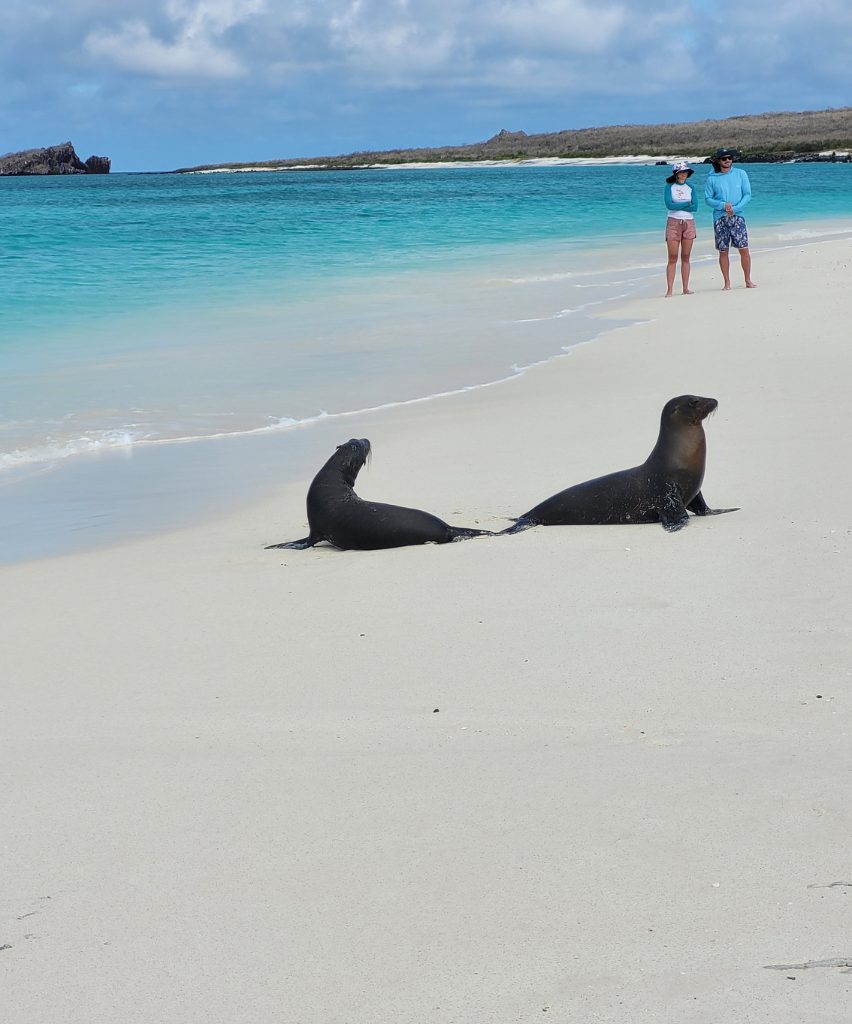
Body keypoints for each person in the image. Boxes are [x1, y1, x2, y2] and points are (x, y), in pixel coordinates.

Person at [704, 147, 756, 289]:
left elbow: (747, 195)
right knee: (723, 250)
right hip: (720, 218)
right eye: (724, 158)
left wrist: (735, 208)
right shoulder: (711, 178)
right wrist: (722, 205)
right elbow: (708, 199)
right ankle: (727, 282)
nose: (727, 161)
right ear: (718, 161)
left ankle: (748, 280)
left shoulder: (741, 173)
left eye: (729, 158)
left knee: (744, 248)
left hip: (738, 216)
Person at [663, 160, 698, 297]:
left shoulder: (691, 187)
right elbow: (669, 205)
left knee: (686, 256)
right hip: (673, 222)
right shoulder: (669, 187)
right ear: (676, 174)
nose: (684, 174)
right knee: (672, 257)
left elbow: (694, 207)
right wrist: (686, 204)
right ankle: (670, 289)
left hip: (688, 222)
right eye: (681, 172)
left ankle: (685, 288)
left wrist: (681, 204)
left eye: (685, 172)